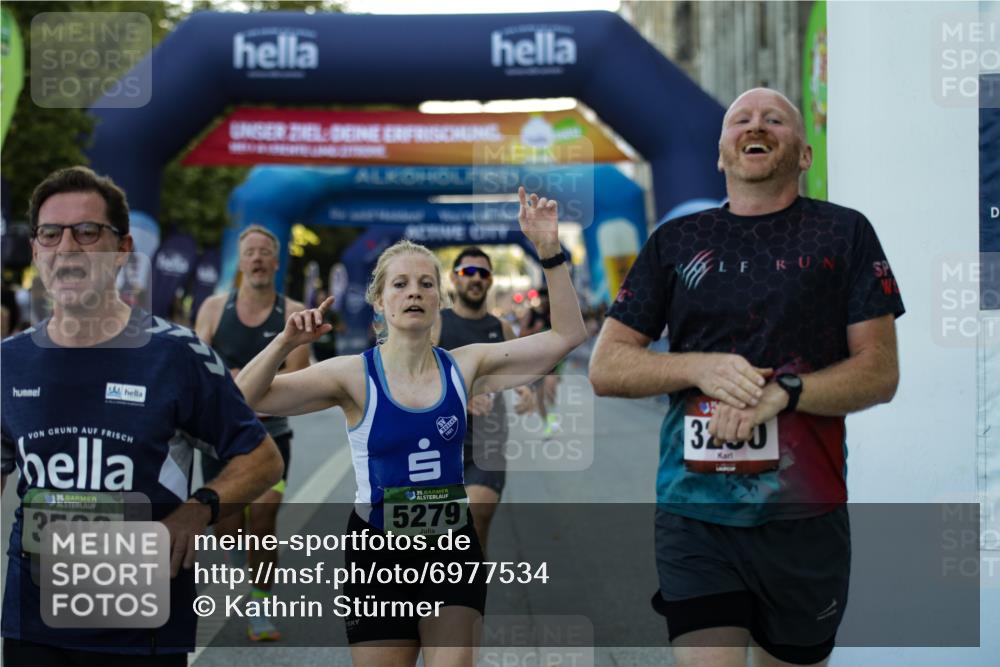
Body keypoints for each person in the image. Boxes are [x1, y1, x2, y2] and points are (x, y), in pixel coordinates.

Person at [589, 88, 904, 667]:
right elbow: (606, 367)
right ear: (721, 154)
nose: (755, 125)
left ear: (804, 153)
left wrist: (786, 394)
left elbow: (880, 373)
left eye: (774, 118)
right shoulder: (676, 241)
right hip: (694, 511)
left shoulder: (844, 234)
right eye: (741, 119)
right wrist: (698, 367)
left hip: (804, 514)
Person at [236, 187, 587, 666]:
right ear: (379, 302)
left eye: (425, 283)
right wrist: (283, 342)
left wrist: (550, 251)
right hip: (376, 558)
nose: (415, 292)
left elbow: (567, 335)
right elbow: (247, 399)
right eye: (400, 284)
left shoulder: (466, 366)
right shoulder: (352, 375)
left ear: (439, 301)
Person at [0, 166, 283, 666]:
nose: (67, 247)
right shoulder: (8, 362)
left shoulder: (175, 355)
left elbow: (262, 459)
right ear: (37, 250)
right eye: (51, 233)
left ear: (122, 249)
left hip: (143, 629)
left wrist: (197, 511)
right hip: (34, 623)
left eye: (87, 232)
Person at [193, 224, 309, 641]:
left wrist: (251, 383)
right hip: (220, 437)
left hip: (270, 435)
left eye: (265, 252)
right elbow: (197, 364)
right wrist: (233, 380)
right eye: (250, 253)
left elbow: (299, 375)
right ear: (241, 262)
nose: (258, 259)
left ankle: (260, 604)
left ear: (276, 262)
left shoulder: (292, 310)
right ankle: (245, 578)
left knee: (262, 518)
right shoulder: (212, 308)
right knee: (228, 528)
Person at [430, 247, 534, 555]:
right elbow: (417, 378)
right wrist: (460, 399)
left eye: (483, 273)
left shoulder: (499, 328)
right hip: (437, 445)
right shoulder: (437, 324)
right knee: (433, 537)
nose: (476, 279)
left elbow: (520, 367)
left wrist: (525, 389)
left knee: (475, 519)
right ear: (453, 278)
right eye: (467, 272)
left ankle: (470, 598)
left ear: (490, 282)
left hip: (486, 444)